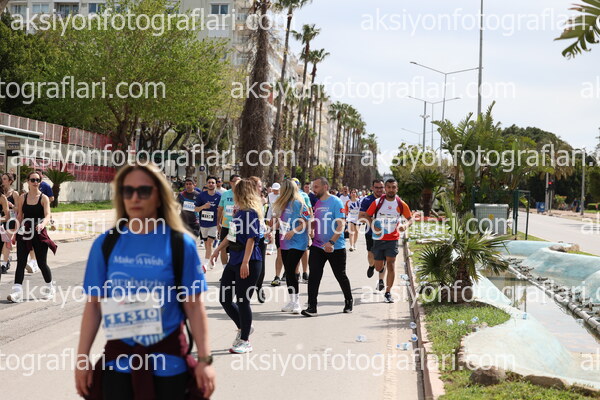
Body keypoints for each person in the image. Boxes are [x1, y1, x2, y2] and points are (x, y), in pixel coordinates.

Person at [75, 163, 215, 400]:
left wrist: (204, 360)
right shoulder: (105, 244)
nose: (134, 197)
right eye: (127, 191)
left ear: (159, 196)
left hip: (169, 366)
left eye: (144, 190)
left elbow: (194, 306)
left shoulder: (181, 244)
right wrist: (82, 359)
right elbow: (94, 305)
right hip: (118, 366)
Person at [211, 179, 264, 353]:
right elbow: (231, 236)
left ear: (241, 193)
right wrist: (217, 250)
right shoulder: (239, 212)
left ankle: (245, 340)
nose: (233, 193)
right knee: (225, 299)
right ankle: (244, 327)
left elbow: (251, 239)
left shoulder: (251, 213)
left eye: (235, 190)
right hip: (234, 260)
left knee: (242, 300)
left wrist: (245, 262)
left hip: (249, 261)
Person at [302, 177, 353, 317]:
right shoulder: (318, 203)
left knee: (340, 275)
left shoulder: (336, 202)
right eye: (313, 187)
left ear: (325, 187)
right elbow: (319, 221)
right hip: (317, 246)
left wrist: (331, 242)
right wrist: (310, 225)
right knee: (314, 276)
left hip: (335, 247)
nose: (313, 189)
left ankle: (349, 300)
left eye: (316, 187)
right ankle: (312, 307)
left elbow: (341, 225)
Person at [7, 171, 57, 303]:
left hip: (39, 232)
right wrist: (14, 234)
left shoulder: (44, 198)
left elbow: (47, 215)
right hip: (24, 232)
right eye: (33, 180)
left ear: (40, 182)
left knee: (41, 263)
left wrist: (42, 225)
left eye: (37, 180)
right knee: (21, 262)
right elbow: (19, 216)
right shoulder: (22, 197)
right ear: (28, 181)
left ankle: (50, 288)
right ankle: (17, 292)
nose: (35, 182)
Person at [364, 178, 413, 303]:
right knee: (378, 267)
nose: (391, 190)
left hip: (393, 239)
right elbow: (367, 216)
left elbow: (410, 219)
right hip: (378, 239)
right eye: (389, 187)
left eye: (393, 187)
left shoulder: (400, 203)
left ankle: (388, 292)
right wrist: (373, 225)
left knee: (391, 265)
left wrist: (405, 225)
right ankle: (380, 263)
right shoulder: (377, 202)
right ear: (385, 189)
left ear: (397, 189)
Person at [273, 180, 310, 314]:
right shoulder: (282, 204)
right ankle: (292, 300)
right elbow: (280, 222)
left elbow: (307, 221)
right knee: (288, 271)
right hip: (285, 241)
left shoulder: (300, 204)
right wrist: (270, 230)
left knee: (290, 268)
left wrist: (293, 231)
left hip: (298, 241)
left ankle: (297, 303)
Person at [359, 180, 387, 291]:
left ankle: (381, 281)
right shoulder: (367, 200)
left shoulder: (388, 200)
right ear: (372, 188)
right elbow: (361, 217)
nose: (379, 189)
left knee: (384, 257)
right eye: (377, 187)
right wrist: (373, 225)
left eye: (381, 187)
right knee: (371, 256)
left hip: (385, 234)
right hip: (370, 233)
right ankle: (371, 265)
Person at [195, 176, 221, 272]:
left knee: (209, 243)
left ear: (216, 184)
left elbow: (222, 210)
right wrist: (203, 207)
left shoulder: (219, 196)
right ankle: (211, 258)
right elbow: (195, 209)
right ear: (206, 184)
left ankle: (205, 265)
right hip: (203, 223)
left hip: (214, 223)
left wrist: (219, 222)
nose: (211, 184)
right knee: (207, 244)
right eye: (209, 182)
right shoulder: (201, 195)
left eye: (213, 182)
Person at [217, 175, 241, 266]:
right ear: (231, 182)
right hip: (226, 225)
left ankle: (233, 268)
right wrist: (218, 223)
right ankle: (225, 269)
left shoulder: (243, 194)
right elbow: (220, 209)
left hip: (237, 226)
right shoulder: (225, 194)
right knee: (222, 248)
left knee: (234, 249)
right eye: (236, 181)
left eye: (239, 181)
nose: (238, 183)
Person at [292, 178, 312, 283]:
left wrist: (310, 228)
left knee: (304, 250)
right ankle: (296, 272)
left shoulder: (304, 195)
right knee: (294, 251)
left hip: (302, 227)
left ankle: (305, 272)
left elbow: (309, 211)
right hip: (291, 228)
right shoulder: (287, 195)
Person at [266, 183, 284, 286]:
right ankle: (277, 276)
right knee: (280, 251)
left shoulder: (284, 196)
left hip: (287, 227)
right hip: (277, 223)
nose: (276, 191)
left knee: (290, 253)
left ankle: (292, 273)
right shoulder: (270, 195)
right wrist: (269, 219)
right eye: (274, 189)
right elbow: (270, 208)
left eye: (277, 189)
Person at [1, 173, 16, 274]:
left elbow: (19, 208)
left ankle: (4, 264)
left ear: (10, 181)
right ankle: (7, 259)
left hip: (11, 220)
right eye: (2, 179)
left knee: (6, 241)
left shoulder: (14, 193)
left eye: (5, 179)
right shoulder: (1, 194)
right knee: (2, 242)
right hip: (1, 219)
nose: (3, 181)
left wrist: (12, 206)